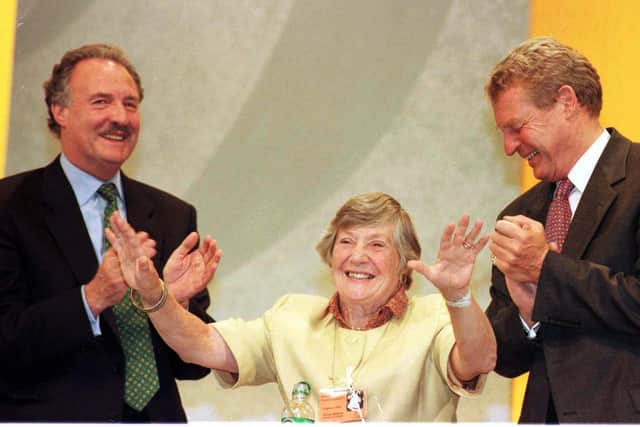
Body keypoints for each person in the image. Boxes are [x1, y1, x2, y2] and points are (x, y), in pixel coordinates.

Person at [106, 192, 496, 422]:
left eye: (377, 245)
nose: (357, 257)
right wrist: (154, 294)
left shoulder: (434, 318)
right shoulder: (292, 318)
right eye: (346, 242)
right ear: (329, 256)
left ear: (405, 261)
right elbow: (199, 345)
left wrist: (459, 296)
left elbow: (478, 360)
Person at [0, 44, 221, 422]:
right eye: (101, 102)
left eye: (130, 104)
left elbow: (194, 367)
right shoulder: (9, 206)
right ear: (60, 110)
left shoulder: (172, 215)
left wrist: (175, 308)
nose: (120, 117)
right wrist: (92, 297)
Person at [485, 36, 640, 423]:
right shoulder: (520, 215)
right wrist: (527, 314)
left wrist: (546, 271)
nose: (508, 147)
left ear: (566, 102)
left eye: (516, 127)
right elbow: (503, 358)